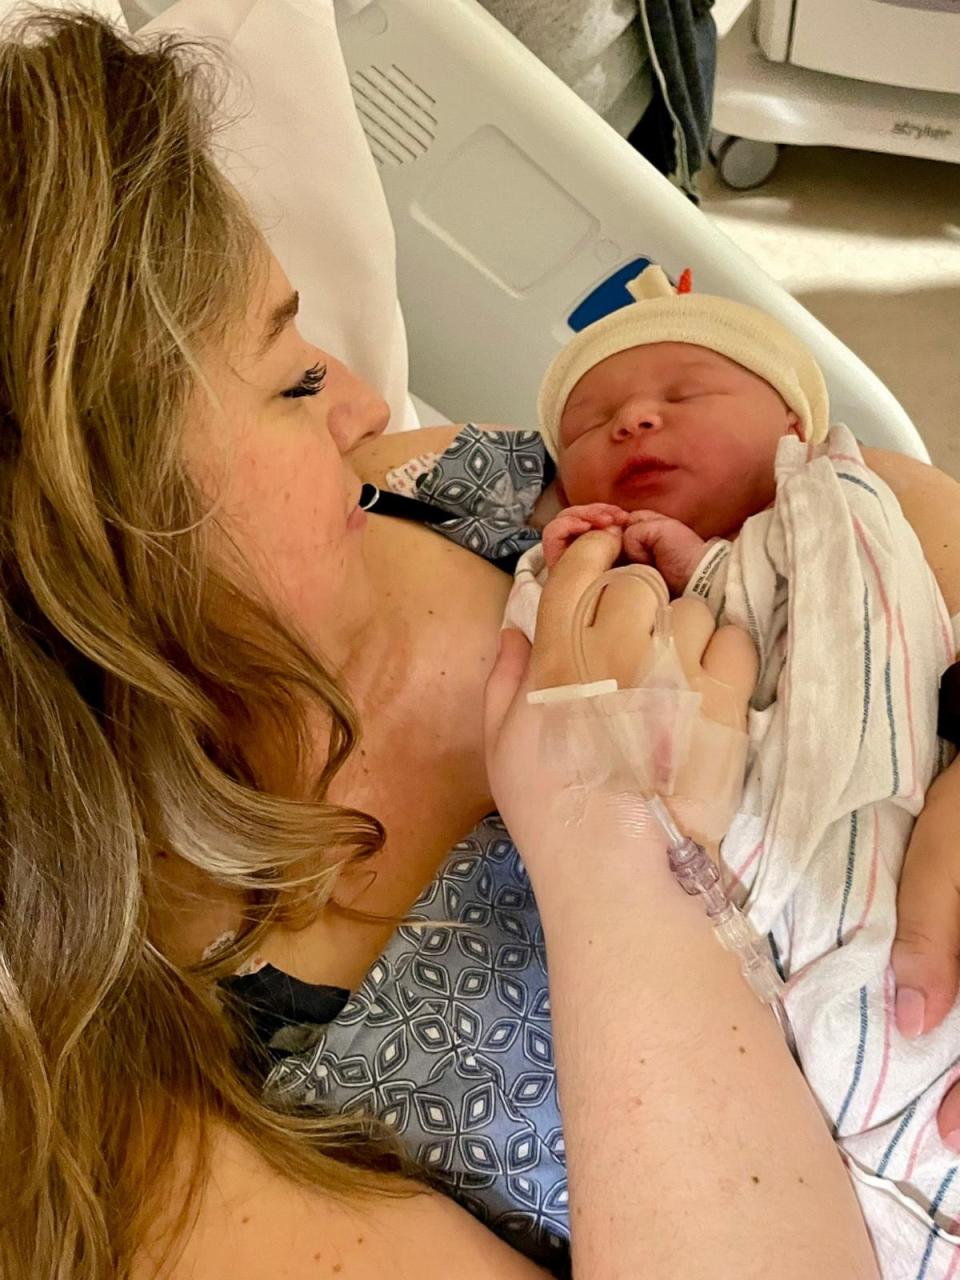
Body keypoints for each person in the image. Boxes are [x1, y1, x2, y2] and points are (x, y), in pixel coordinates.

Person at [0, 10, 952, 1280]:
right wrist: (617, 852)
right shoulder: (135, 1071)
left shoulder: (417, 483)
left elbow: (863, 504)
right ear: (96, 532)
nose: (358, 398)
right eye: (289, 380)